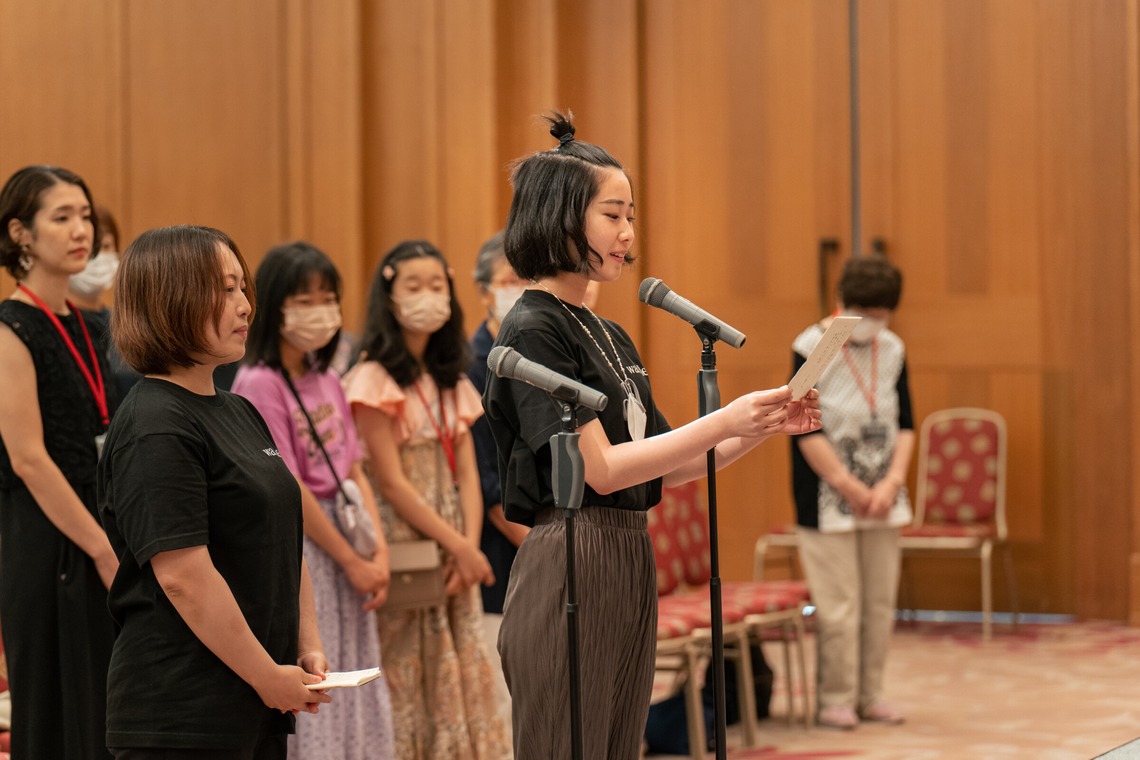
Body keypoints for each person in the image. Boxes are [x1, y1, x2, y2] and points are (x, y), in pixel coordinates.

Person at [481, 112, 822, 759]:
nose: (628, 233)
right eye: (613, 215)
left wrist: (761, 425)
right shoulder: (533, 329)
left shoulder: (610, 334)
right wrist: (725, 417)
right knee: (566, 743)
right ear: (560, 215)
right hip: (570, 558)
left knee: (618, 745)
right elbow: (601, 471)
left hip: (630, 552)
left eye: (630, 216)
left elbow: (667, 465)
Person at [97, 225, 331, 758]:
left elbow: (284, 539)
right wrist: (266, 674)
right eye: (224, 290)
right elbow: (182, 576)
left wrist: (306, 643)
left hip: (254, 698)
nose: (245, 305)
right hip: (181, 711)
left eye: (242, 287)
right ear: (169, 299)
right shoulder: (154, 420)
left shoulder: (238, 409)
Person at [343, 240, 510, 759]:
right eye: (413, 287)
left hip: (454, 544)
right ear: (387, 296)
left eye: (437, 286)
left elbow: (466, 474)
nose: (427, 297)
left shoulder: (450, 378)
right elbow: (390, 483)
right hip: (405, 544)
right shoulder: (371, 379)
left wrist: (466, 544)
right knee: (404, 672)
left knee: (455, 667)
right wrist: (459, 546)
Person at [232, 240, 396, 760]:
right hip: (307, 545)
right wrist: (351, 560)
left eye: (327, 297)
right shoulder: (258, 383)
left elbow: (352, 466)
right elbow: (288, 486)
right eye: (304, 299)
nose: (319, 310)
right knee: (321, 674)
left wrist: (379, 554)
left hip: (349, 541)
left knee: (356, 675)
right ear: (273, 306)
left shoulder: (326, 375)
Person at [0, 165, 117, 759]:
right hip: (48, 538)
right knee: (52, 708)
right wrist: (100, 548)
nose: (82, 231)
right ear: (21, 233)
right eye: (62, 217)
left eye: (86, 216)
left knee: (101, 709)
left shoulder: (92, 324)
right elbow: (28, 459)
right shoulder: (9, 327)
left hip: (100, 524)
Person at [790, 254, 913, 730]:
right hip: (827, 494)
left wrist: (891, 482)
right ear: (841, 302)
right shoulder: (815, 345)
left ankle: (871, 693)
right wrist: (846, 484)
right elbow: (800, 425)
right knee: (839, 604)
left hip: (884, 490)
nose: (871, 323)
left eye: (880, 314)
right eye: (864, 311)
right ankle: (835, 698)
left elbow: (906, 422)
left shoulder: (894, 348)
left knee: (879, 600)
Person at [467, 231, 528, 733]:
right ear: (484, 289)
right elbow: (488, 486)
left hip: (545, 542)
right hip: (505, 551)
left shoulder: (537, 352)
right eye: (510, 281)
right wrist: (545, 549)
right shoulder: (471, 365)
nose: (520, 290)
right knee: (506, 705)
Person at [69, 205, 142, 399]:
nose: (99, 256)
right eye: (92, 248)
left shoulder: (126, 324)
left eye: (107, 246)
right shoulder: (53, 326)